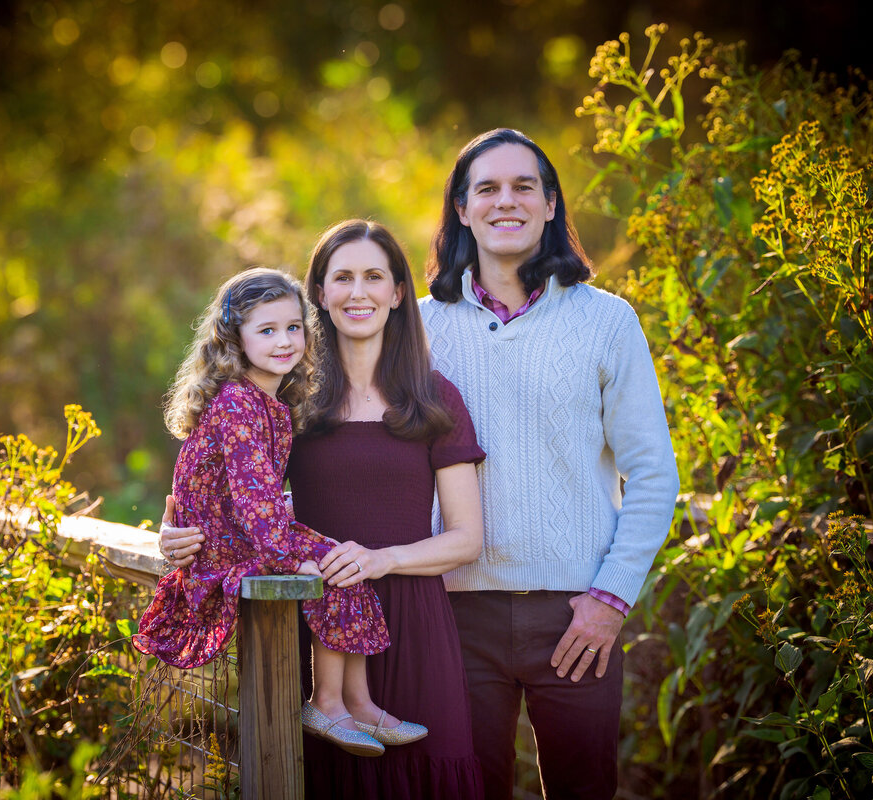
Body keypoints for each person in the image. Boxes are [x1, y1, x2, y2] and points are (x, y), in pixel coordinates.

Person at [159, 221, 486, 799]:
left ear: (398, 292)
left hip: (415, 620)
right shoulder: (289, 398)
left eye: (374, 277)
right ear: (321, 296)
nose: (358, 292)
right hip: (312, 614)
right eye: (342, 278)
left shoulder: (435, 398)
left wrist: (379, 561)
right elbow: (227, 484)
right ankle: (336, 704)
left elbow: (465, 540)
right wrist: (177, 532)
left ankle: (363, 704)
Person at [419, 128, 680, 800]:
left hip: (575, 617)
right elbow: (358, 451)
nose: (506, 201)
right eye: (487, 188)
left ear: (551, 202)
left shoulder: (608, 322)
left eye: (523, 186)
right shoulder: (415, 328)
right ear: (461, 207)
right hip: (453, 617)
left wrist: (610, 600)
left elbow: (653, 474)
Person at [132, 267, 414, 758]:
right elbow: (249, 500)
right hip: (226, 543)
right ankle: (326, 703)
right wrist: (287, 560)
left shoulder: (271, 404)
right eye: (266, 330)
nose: (284, 341)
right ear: (234, 338)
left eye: (293, 328)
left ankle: (357, 702)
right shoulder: (240, 403)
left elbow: (257, 495)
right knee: (330, 568)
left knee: (345, 561)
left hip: (248, 531)